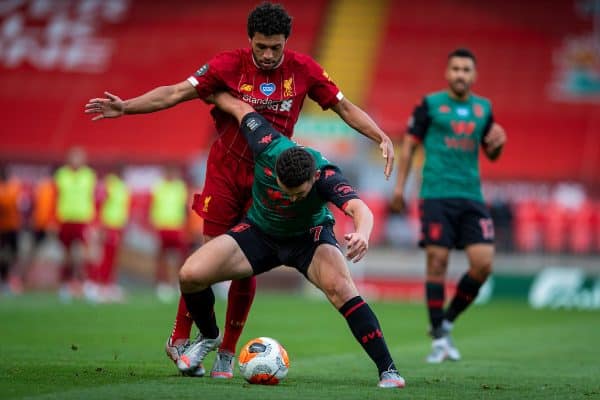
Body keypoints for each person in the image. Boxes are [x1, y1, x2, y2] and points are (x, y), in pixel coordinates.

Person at [84, 2, 394, 378]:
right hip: (227, 171)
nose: (267, 55)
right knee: (211, 257)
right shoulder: (227, 65)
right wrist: (127, 108)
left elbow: (344, 108)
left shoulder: (304, 70)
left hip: (278, 172)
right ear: (250, 40)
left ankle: (228, 354)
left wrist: (379, 135)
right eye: (260, 46)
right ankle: (187, 338)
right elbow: (175, 93)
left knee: (246, 268)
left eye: (275, 47)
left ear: (286, 43)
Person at [176, 91, 404, 388]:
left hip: (308, 239)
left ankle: (388, 369)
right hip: (260, 233)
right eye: (286, 191)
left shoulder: (326, 175)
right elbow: (238, 105)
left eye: (299, 194)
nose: (291, 197)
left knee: (342, 289)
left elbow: (360, 209)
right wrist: (207, 87)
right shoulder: (265, 144)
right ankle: (209, 335)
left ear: (312, 180)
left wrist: (362, 234)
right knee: (190, 275)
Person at [389, 48, 507, 363]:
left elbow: (491, 153)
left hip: (471, 195)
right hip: (436, 193)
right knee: (437, 262)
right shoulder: (430, 105)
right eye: (455, 68)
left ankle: (447, 321)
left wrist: (499, 144)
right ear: (447, 72)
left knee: (483, 264)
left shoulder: (484, 109)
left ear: (474, 75)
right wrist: (400, 188)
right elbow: (410, 145)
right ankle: (439, 337)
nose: (460, 74)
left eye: (466, 70)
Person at [54, 147, 97, 301]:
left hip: (83, 218)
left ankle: (86, 283)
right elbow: (55, 197)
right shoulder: (61, 175)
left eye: (79, 158)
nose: (76, 161)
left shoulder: (88, 175)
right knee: (66, 254)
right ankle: (66, 285)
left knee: (85, 253)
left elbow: (94, 198)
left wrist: (94, 221)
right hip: (65, 218)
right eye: (73, 157)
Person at [149, 165, 189, 303]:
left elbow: (185, 208)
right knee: (162, 257)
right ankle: (163, 284)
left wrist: (185, 226)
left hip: (176, 226)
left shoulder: (180, 187)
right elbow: (153, 206)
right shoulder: (159, 187)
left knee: (178, 258)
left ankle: (177, 283)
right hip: (162, 227)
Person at [0, 164, 24, 295]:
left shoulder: (13, 188)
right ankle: (4, 278)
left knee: (14, 254)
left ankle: (12, 279)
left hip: (12, 226)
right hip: (3, 227)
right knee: (4, 254)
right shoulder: (8, 188)